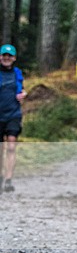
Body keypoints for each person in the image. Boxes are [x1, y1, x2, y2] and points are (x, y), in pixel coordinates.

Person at [0, 44, 26, 194]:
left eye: (9, 56)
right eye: (4, 55)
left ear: (14, 58)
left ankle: (9, 180)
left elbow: (21, 89)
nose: (6, 58)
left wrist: (22, 94)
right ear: (0, 57)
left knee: (11, 146)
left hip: (13, 115)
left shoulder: (17, 73)